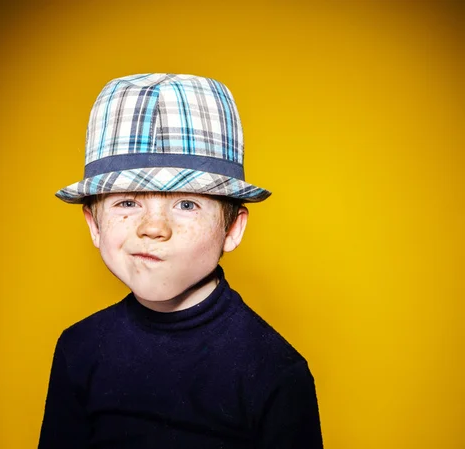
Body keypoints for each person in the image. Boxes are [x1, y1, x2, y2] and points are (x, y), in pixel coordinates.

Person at [38, 73, 324, 448]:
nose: (154, 228)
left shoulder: (273, 370)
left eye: (186, 204)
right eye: (127, 202)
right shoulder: (79, 348)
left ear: (232, 229)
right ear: (94, 224)